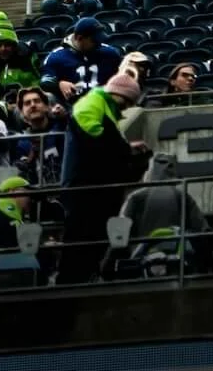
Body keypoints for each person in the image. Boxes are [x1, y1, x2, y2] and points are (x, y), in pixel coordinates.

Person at [59, 68, 146, 282]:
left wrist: (126, 148)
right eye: (126, 102)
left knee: (91, 239)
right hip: (83, 187)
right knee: (80, 240)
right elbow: (94, 137)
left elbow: (106, 143)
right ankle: (70, 283)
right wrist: (124, 149)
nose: (126, 107)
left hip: (92, 186)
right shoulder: (93, 103)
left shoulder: (105, 108)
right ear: (119, 93)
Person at [41, 16, 123, 103]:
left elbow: (125, 75)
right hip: (72, 107)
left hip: (106, 103)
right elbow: (45, 82)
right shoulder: (56, 57)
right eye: (94, 41)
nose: (99, 44)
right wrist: (59, 84)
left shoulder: (110, 52)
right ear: (79, 38)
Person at [2, 86, 66, 186]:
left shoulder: (63, 126)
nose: (33, 105)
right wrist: (32, 156)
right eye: (27, 103)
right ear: (22, 113)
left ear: (47, 107)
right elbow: (21, 177)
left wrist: (65, 117)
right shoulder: (21, 143)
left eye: (37, 101)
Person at [0, 12, 37, 97]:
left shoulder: (28, 58)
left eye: (7, 44)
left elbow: (37, 83)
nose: (3, 49)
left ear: (14, 46)